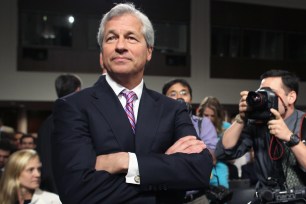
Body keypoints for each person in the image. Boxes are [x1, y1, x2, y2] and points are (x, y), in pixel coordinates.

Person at [51, 3, 213, 204]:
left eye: (130, 37)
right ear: (102, 55)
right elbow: (76, 192)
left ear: (149, 51)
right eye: (111, 38)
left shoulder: (172, 108)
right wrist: (166, 169)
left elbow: (200, 171)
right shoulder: (73, 107)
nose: (120, 46)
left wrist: (124, 162)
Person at [215, 69, 306, 203]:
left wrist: (290, 137)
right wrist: (241, 118)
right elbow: (223, 152)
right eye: (262, 93)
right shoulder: (257, 122)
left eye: (271, 93)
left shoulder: (303, 122)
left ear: (291, 97)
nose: (264, 97)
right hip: (265, 197)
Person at [162, 79, 218, 204]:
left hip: (197, 198)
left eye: (184, 93)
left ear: (191, 99)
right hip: (166, 196)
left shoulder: (203, 123)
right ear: (164, 100)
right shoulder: (157, 125)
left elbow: (210, 158)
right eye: (172, 94)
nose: (179, 97)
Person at [37, 73, 82, 194]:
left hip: (50, 187)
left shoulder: (47, 123)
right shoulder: (73, 120)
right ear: (77, 91)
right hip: (66, 189)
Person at [197, 96, 230, 189]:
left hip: (219, 167)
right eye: (206, 115)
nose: (209, 119)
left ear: (218, 116)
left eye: (212, 116)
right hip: (199, 166)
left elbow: (233, 154)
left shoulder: (226, 127)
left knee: (221, 195)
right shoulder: (196, 126)